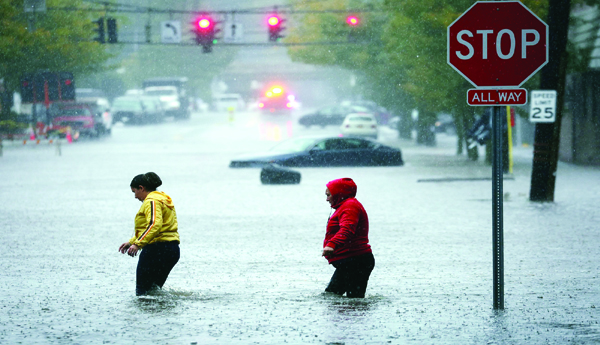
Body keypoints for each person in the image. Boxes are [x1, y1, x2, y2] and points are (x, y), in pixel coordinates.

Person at [119, 172, 180, 296]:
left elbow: (154, 225)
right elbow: (159, 227)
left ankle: (146, 315)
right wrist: (131, 241)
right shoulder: (163, 199)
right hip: (171, 250)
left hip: (156, 250)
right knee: (153, 292)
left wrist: (137, 244)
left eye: (134, 191)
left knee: (142, 294)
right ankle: (160, 314)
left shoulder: (151, 201)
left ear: (142, 188)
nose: (135, 196)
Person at [322, 177, 375, 298]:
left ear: (338, 193)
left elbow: (347, 229)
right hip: (351, 261)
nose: (326, 199)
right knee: (332, 296)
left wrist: (331, 245)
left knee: (353, 300)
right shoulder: (345, 206)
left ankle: (359, 317)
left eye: (329, 195)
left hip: (356, 261)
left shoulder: (350, 206)